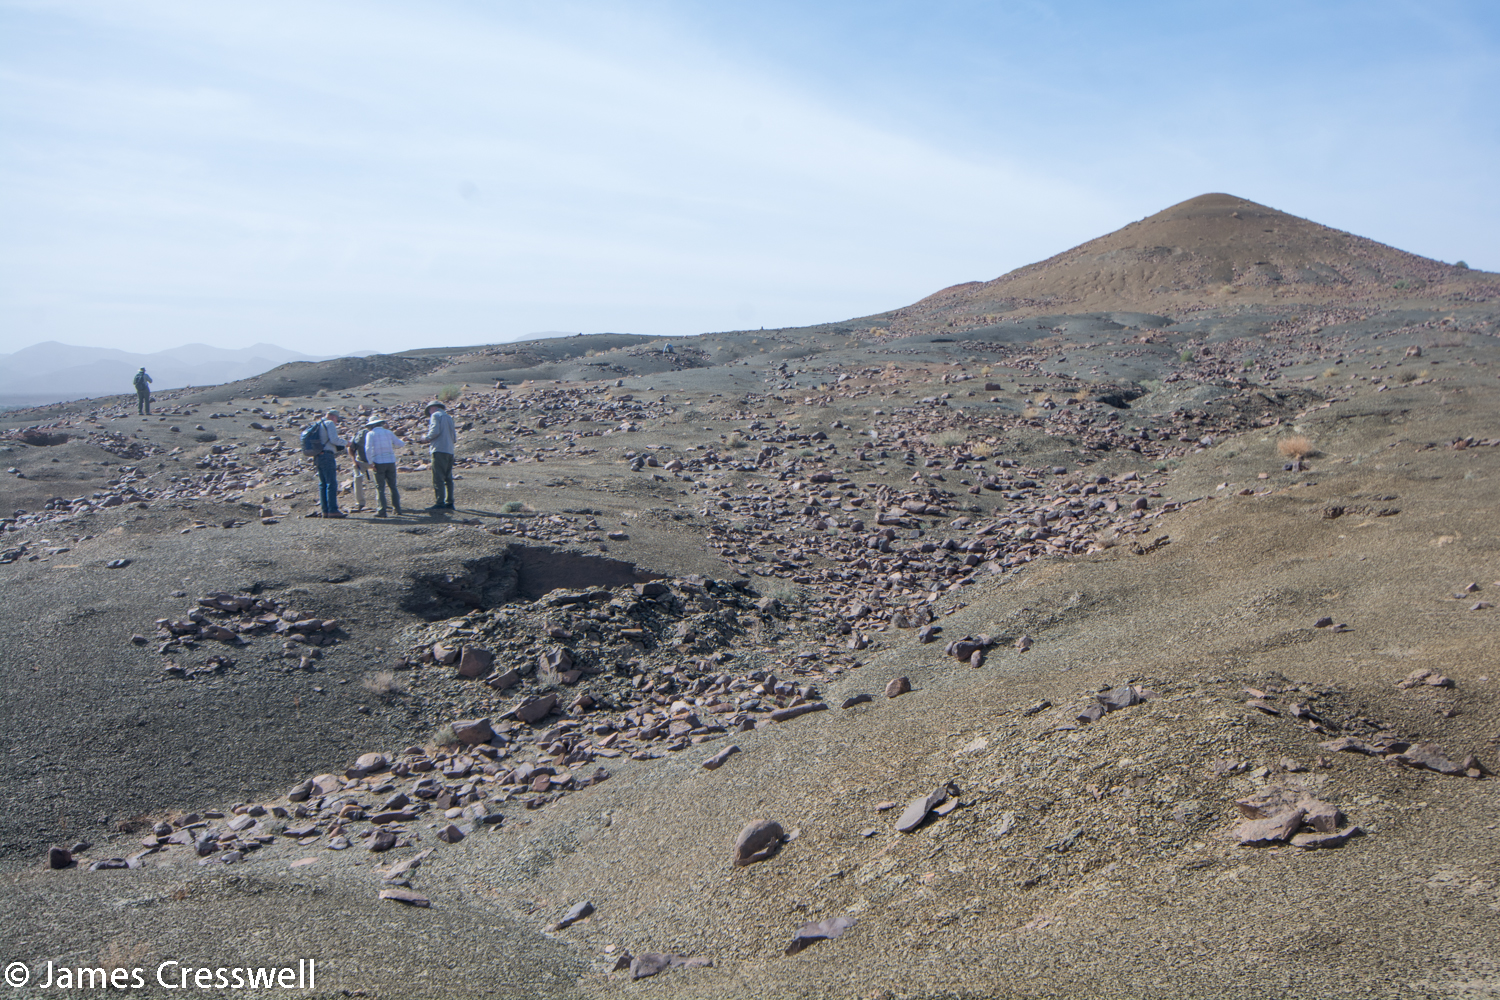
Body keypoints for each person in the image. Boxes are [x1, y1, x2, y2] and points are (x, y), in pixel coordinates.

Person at [361, 416, 404, 517]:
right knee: (393, 486)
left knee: (380, 487)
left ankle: (382, 510)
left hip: (378, 462)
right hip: (390, 461)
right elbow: (400, 444)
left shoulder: (370, 434)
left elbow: (368, 448)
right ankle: (397, 509)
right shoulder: (388, 432)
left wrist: (370, 462)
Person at [418, 399, 457, 510]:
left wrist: (426, 438)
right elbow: (454, 436)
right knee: (448, 478)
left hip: (439, 449)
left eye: (429, 410)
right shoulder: (449, 417)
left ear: (432, 408)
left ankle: (440, 502)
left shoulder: (435, 415)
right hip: (449, 450)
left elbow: (435, 431)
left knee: (438, 477)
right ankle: (450, 502)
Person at [311, 410, 347, 518]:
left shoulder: (318, 423)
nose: (336, 421)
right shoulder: (329, 423)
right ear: (333, 417)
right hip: (327, 455)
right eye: (337, 419)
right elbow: (334, 440)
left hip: (318, 456)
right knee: (331, 483)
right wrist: (346, 443)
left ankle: (325, 510)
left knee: (323, 484)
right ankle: (333, 510)